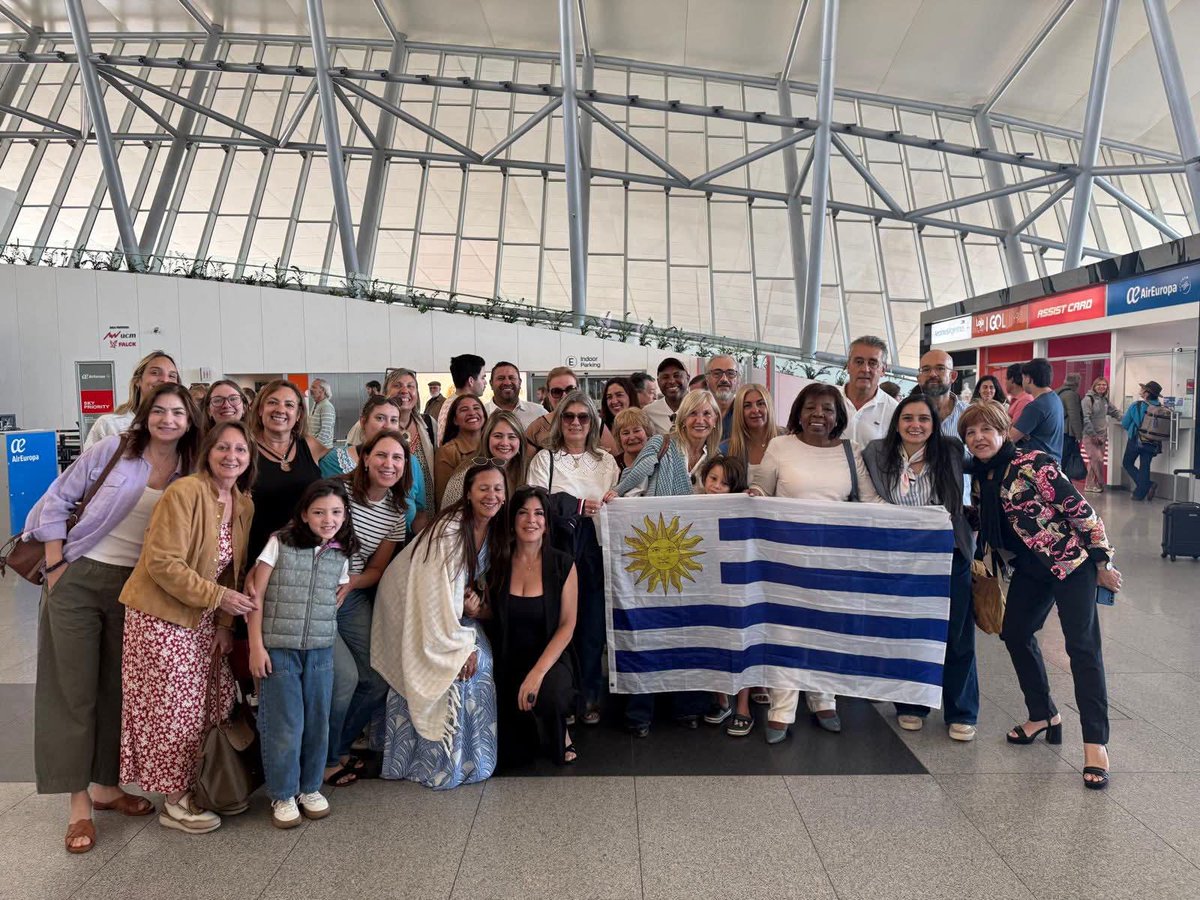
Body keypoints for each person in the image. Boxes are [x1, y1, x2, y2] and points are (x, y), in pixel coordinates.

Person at [24, 382, 200, 854]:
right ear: (145, 414)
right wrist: (58, 564)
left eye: (177, 413)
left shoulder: (191, 467)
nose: (168, 420)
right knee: (73, 691)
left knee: (115, 689)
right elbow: (56, 499)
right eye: (159, 411)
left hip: (138, 589)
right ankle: (78, 804)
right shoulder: (114, 450)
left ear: (189, 420)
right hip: (81, 576)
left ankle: (106, 786)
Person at [961, 400, 1120, 789]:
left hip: (1071, 565)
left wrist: (1103, 561)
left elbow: (1080, 511)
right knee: (1015, 633)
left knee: (1082, 649)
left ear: (1003, 430)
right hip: (1030, 570)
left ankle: (1095, 742)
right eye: (970, 432)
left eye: (986, 429)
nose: (978, 438)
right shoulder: (980, 475)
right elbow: (985, 519)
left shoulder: (1033, 463)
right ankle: (1044, 714)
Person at [118, 420, 257, 834]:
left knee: (207, 707)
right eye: (223, 448)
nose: (232, 456)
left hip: (203, 621)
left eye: (241, 450)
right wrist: (218, 599)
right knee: (171, 712)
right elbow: (162, 563)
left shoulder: (243, 502)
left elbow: (235, 570)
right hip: (159, 617)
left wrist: (225, 624)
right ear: (207, 452)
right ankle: (174, 801)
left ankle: (196, 784)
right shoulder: (184, 492)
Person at [748, 382, 878, 742]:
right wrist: (754, 493)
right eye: (810, 407)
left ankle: (823, 696)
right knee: (786, 630)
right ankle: (782, 706)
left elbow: (870, 501)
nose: (818, 414)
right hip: (786, 556)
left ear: (838, 416)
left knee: (827, 629)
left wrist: (924, 519)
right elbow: (761, 489)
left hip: (834, 559)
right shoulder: (780, 446)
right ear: (798, 412)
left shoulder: (851, 452)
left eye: (827, 408)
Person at [371, 462, 507, 789]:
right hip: (414, 608)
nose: (492, 495)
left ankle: (474, 759)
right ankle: (435, 763)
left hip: (452, 610)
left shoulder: (496, 527)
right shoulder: (449, 529)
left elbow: (473, 585)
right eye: (483, 488)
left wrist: (473, 605)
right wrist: (460, 648)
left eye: (498, 489)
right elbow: (432, 595)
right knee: (453, 670)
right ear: (468, 494)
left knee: (483, 665)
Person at [862, 396, 978, 741]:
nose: (916, 425)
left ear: (934, 424)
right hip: (899, 557)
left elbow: (986, 465)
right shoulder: (876, 452)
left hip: (948, 553)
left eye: (924, 419)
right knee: (908, 633)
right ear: (897, 422)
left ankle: (961, 710)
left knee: (957, 634)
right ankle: (910, 704)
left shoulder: (952, 451)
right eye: (908, 418)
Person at [248, 480, 356, 828]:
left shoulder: (341, 552)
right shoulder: (279, 543)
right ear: (305, 515)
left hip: (321, 650)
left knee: (317, 722)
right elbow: (255, 595)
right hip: (279, 649)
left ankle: (310, 788)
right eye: (320, 512)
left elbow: (333, 600)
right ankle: (282, 793)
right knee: (285, 724)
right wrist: (256, 647)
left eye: (336, 512)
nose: (329, 519)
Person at [614, 391, 721, 736]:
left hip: (694, 556)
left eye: (708, 413)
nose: (700, 420)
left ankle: (686, 705)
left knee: (687, 627)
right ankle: (639, 711)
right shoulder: (661, 444)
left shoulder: (716, 456)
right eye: (694, 413)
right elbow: (636, 474)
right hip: (653, 548)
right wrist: (615, 494)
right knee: (648, 628)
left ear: (716, 419)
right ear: (683, 416)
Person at [323, 431, 411, 788]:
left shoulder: (396, 511)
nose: (388, 464)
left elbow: (376, 570)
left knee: (375, 678)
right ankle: (327, 760)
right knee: (344, 678)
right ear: (365, 457)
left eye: (397, 458)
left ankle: (337, 746)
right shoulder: (336, 492)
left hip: (353, 594)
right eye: (382, 456)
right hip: (316, 595)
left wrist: (352, 584)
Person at [527, 392, 619, 726]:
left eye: (583, 416)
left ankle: (589, 695)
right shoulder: (545, 460)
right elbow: (534, 503)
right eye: (569, 416)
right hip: (558, 553)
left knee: (592, 629)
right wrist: (576, 506)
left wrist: (617, 498)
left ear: (594, 422)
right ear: (559, 420)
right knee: (557, 625)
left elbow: (621, 501)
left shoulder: (607, 461)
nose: (576, 422)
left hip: (596, 551)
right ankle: (561, 697)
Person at [487, 486, 580, 768]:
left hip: (549, 658)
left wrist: (537, 675)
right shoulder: (497, 560)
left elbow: (567, 625)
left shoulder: (563, 563)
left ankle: (560, 729)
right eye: (523, 513)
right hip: (508, 658)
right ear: (512, 520)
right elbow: (493, 614)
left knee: (550, 695)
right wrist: (475, 608)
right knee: (512, 755)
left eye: (539, 513)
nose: (531, 520)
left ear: (547, 522)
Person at [696, 455, 756, 737]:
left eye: (725, 483)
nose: (717, 487)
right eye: (713, 479)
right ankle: (721, 700)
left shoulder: (743, 508)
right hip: (708, 582)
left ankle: (743, 705)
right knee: (712, 638)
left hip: (737, 584)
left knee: (739, 641)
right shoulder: (693, 505)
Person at [246, 380, 327, 562]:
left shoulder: (310, 446)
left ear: (298, 414)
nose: (280, 409)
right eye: (272, 402)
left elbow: (344, 464)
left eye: (289, 405)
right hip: (259, 554)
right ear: (260, 410)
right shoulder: (245, 449)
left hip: (306, 553)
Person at [83, 350, 180, 449]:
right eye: (155, 372)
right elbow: (86, 464)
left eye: (172, 376)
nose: (165, 380)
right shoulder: (109, 425)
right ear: (137, 381)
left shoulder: (181, 426)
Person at [383, 368, 437, 534]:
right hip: (384, 520)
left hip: (425, 518)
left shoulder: (429, 424)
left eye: (410, 386)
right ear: (386, 392)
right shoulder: (372, 425)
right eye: (397, 385)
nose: (404, 391)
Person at [442, 411, 527, 508]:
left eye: (512, 437)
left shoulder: (525, 472)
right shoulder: (465, 475)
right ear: (486, 438)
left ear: (520, 442)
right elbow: (448, 518)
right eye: (498, 436)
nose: (505, 443)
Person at [320, 395, 401, 477]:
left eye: (393, 420)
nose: (387, 426)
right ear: (363, 422)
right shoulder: (334, 461)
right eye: (380, 418)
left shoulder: (410, 462)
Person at [841, 336, 899, 448]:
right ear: (848, 366)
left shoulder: (894, 411)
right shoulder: (828, 401)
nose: (865, 369)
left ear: (883, 370)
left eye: (873, 363)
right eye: (859, 362)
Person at [721, 383, 782, 486]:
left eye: (760, 403)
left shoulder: (787, 439)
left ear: (769, 407)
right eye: (747, 406)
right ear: (739, 411)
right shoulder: (725, 450)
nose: (755, 410)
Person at [435, 394, 486, 506]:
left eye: (476, 408)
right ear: (455, 420)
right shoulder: (448, 451)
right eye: (464, 409)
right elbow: (443, 498)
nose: (472, 413)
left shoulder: (493, 446)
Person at [1010, 358, 1064, 461]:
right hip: (1053, 463)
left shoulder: (1035, 406)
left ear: (1029, 379)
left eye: (1023, 378)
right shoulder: (1054, 398)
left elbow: (1010, 438)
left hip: (1038, 467)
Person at [1120, 380, 1164, 502]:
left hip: (1136, 439)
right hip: (1153, 441)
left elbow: (1125, 423)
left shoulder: (1137, 405)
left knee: (1127, 463)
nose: (1140, 390)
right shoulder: (1160, 407)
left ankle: (1147, 486)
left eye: (1143, 389)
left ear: (1146, 393)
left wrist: (1133, 429)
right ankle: (1140, 493)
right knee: (1145, 466)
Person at [1081, 377, 1122, 494]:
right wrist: (1093, 435)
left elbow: (1114, 412)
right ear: (1094, 386)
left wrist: (1127, 419)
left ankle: (1089, 485)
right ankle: (1100, 483)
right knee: (1096, 459)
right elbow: (1085, 418)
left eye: (1104, 385)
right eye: (1099, 384)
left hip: (1102, 435)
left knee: (1095, 461)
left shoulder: (1105, 400)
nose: (1101, 387)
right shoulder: (1088, 399)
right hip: (1090, 435)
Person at [917, 349, 968, 439]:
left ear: (953, 376)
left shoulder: (970, 415)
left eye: (940, 368)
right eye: (926, 369)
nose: (932, 374)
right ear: (919, 378)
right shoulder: (906, 415)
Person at [524, 366, 578, 450]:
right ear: (548, 395)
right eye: (556, 392)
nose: (564, 396)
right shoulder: (536, 429)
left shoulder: (596, 424)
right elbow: (526, 462)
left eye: (570, 390)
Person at [436, 354, 487, 442]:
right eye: (482, 378)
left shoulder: (450, 402)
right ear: (471, 381)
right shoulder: (456, 405)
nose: (485, 382)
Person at [485, 361, 543, 429]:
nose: (507, 383)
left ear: (520, 382)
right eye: (501, 378)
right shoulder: (480, 415)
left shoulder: (539, 413)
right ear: (491, 384)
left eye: (511, 378)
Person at [643, 357, 690, 435]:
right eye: (665, 377)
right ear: (658, 382)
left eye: (677, 375)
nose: (671, 381)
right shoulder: (648, 413)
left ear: (688, 378)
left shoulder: (702, 407)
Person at [598, 376, 636, 454]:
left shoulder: (644, 424)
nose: (614, 401)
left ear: (630, 396)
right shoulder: (600, 427)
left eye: (619, 395)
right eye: (609, 397)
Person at [612, 407, 653, 474]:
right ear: (619, 438)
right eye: (626, 433)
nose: (632, 437)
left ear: (647, 432)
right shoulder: (612, 465)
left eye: (636, 431)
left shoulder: (660, 460)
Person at [1057, 373, 1085, 450]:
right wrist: (1079, 435)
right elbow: (1074, 416)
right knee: (1070, 458)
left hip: (1056, 430)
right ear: (1077, 383)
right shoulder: (1072, 395)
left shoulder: (1056, 392)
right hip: (1067, 432)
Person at [307, 379, 336, 447]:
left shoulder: (326, 406)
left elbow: (325, 432)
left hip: (322, 451)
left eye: (314, 387)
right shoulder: (316, 404)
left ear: (322, 390)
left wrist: (313, 447)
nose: (310, 389)